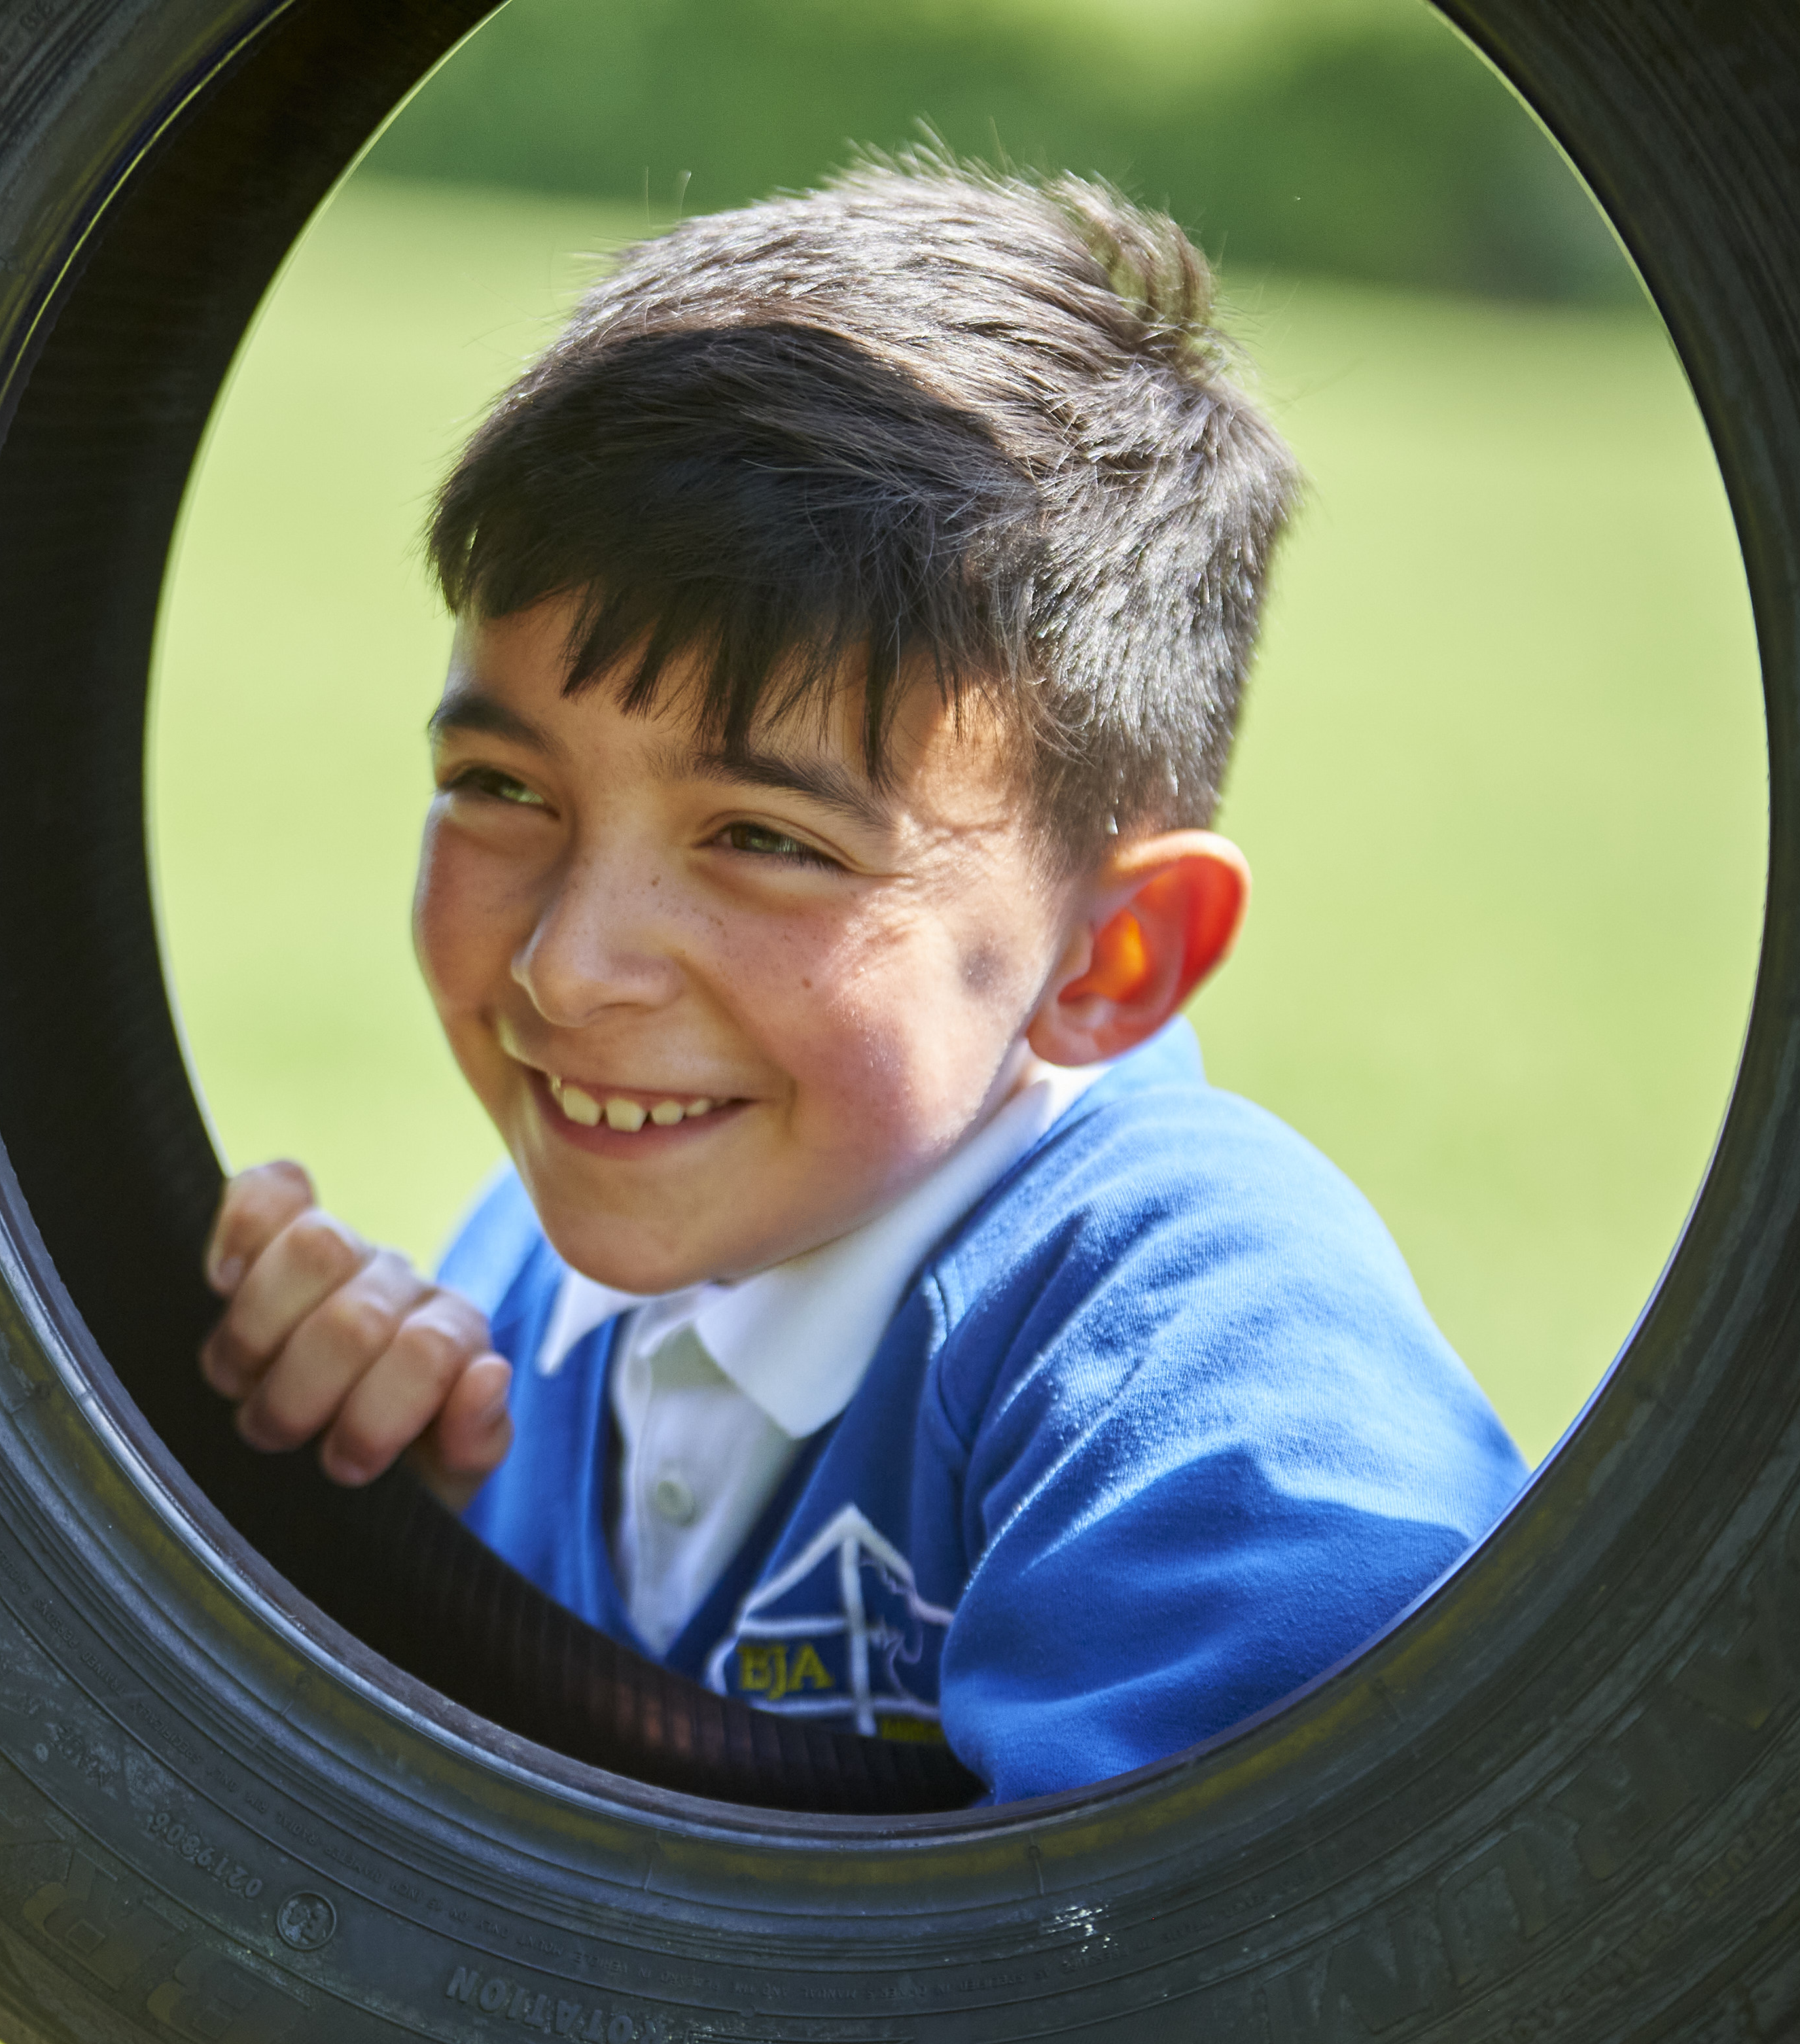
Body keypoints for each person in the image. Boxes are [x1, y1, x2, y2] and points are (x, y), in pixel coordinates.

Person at [192, 155, 1526, 1806]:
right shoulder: (522, 1286)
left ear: (1113, 955)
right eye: (501, 787)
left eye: (764, 836)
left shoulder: (1206, 1358)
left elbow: (1286, 1935)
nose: (569, 967)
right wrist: (353, 1548)